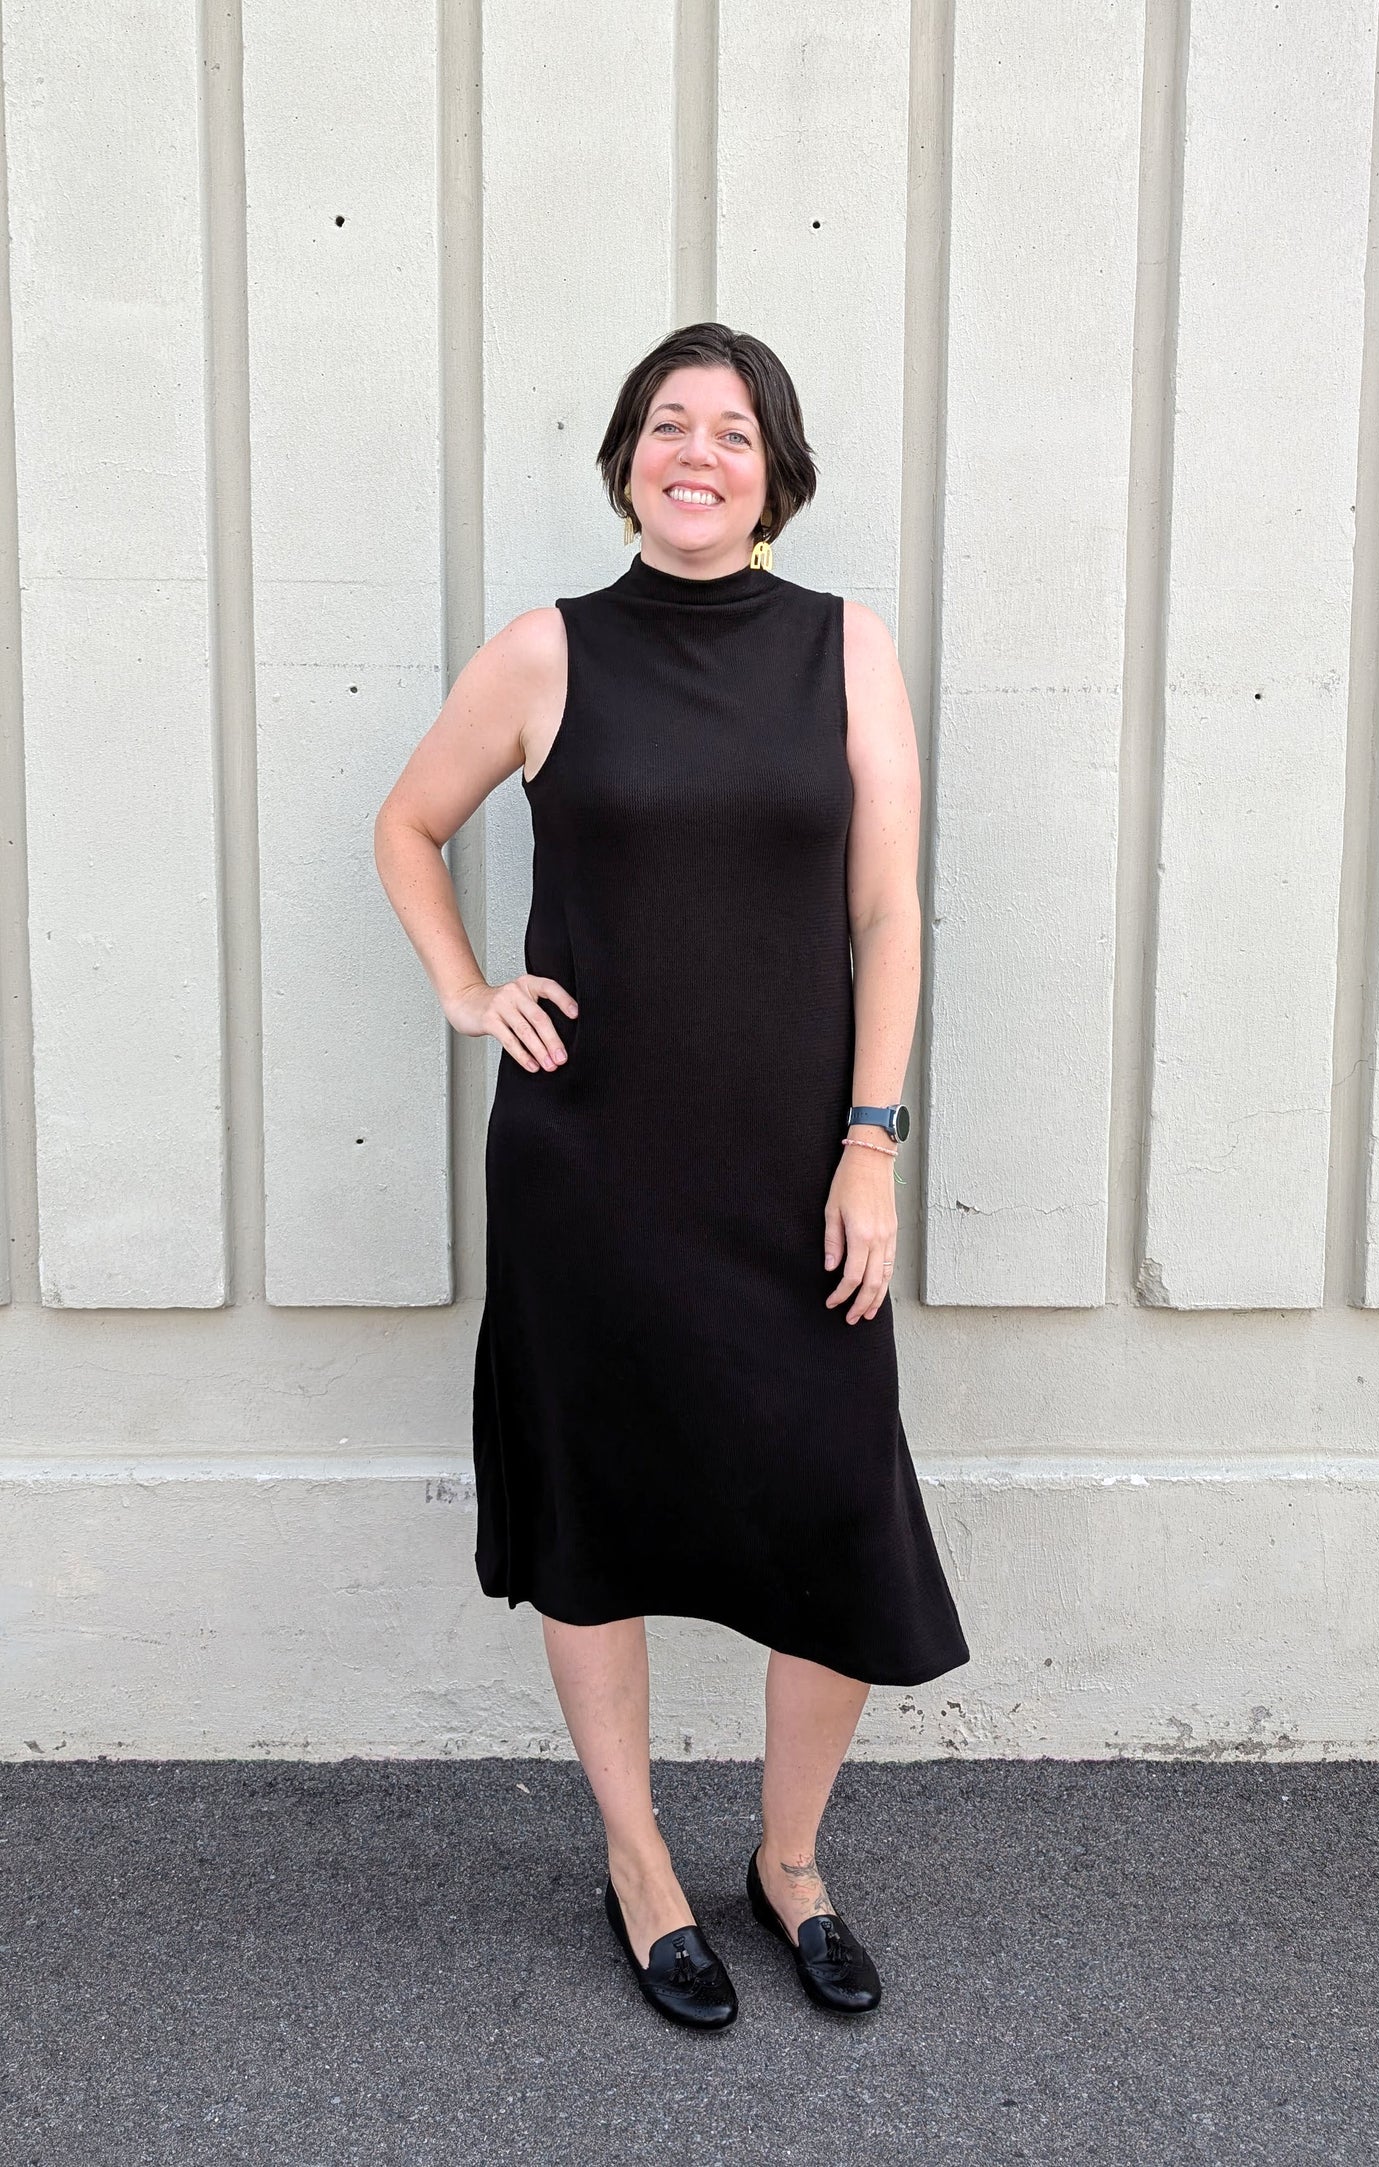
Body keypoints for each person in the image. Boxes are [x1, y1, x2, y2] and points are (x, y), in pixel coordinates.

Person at [374, 321, 969, 2031]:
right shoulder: (546, 653)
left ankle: (787, 1865)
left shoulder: (845, 649)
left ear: (774, 469)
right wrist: (468, 987)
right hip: (593, 1170)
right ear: (626, 458)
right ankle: (638, 1862)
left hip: (795, 1169)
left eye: (727, 430)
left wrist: (872, 1145)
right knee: (600, 1520)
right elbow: (406, 826)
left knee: (834, 1506)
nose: (690, 450)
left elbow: (886, 915)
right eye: (661, 424)